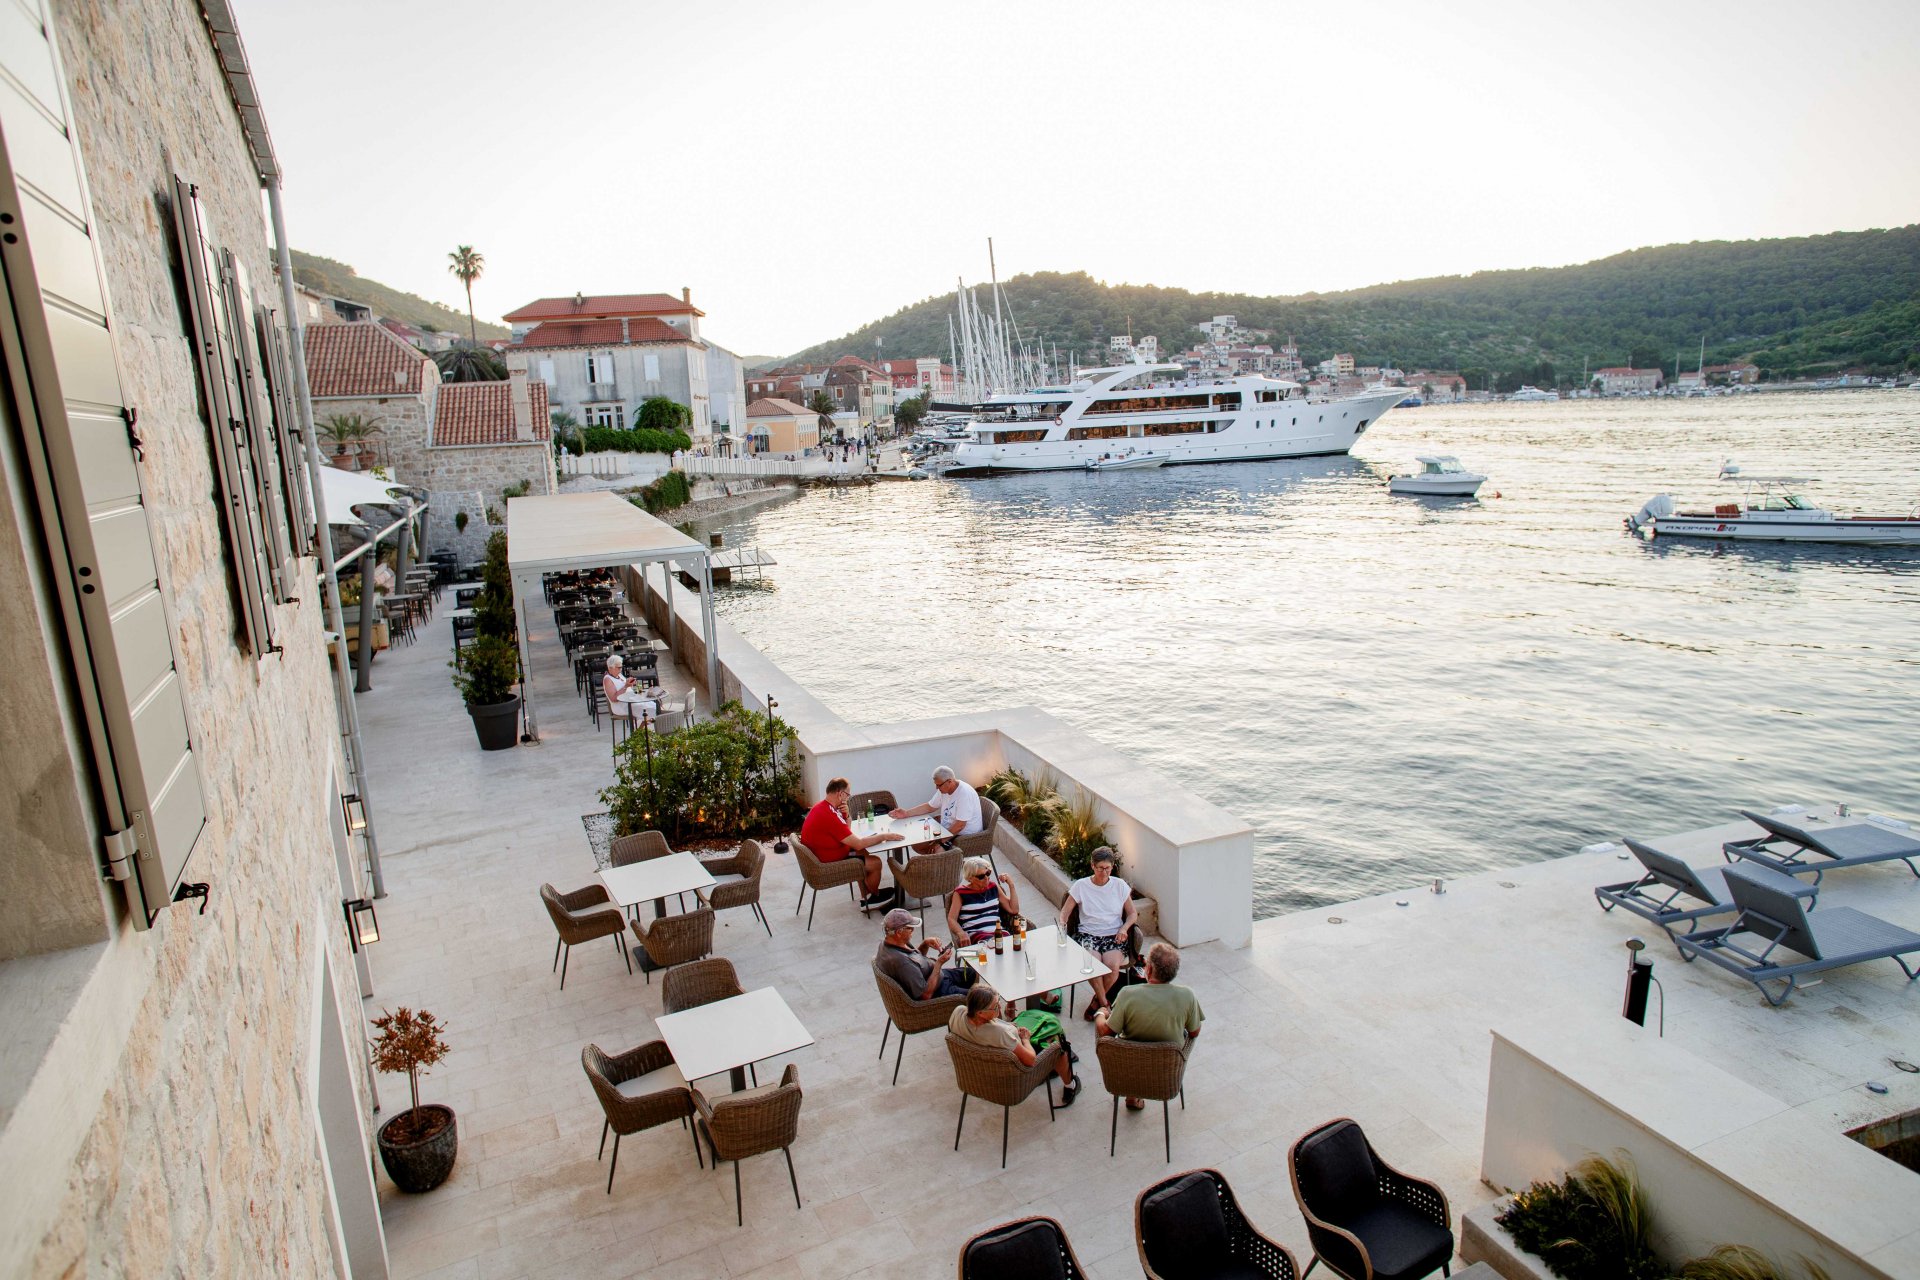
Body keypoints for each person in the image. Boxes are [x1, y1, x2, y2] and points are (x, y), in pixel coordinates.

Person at [1096, 942, 1203, 1110]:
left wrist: (1100, 1014)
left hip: (1128, 1067)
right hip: (1166, 1071)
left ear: (1149, 969)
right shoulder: (1187, 995)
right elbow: (1194, 1032)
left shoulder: (1127, 994)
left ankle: (1132, 1094)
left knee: (1128, 1040)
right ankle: (1134, 1096)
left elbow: (1105, 1032)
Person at [948, 985, 1078, 1105]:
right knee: (1058, 1046)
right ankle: (1070, 1085)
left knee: (1028, 1023)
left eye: (999, 1001)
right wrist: (1025, 1039)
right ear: (980, 1012)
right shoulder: (1001, 1034)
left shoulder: (958, 1012)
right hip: (1012, 1075)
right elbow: (1030, 1060)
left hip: (978, 1072)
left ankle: (1053, 1070)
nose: (999, 1007)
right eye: (995, 1006)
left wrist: (1007, 1025)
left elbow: (981, 1030)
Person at [1060, 846, 1136, 1020]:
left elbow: (1132, 913)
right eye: (1100, 868)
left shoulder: (1119, 885)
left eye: (1108, 868)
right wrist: (1062, 925)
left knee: (1112, 968)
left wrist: (1124, 928)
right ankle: (1104, 1004)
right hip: (1088, 935)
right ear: (1092, 866)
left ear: (1112, 866)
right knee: (1091, 967)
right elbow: (1065, 912)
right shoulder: (1081, 886)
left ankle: (1096, 1002)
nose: (1104, 872)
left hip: (1113, 934)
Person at [799, 777, 896, 906]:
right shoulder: (828, 815)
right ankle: (873, 898)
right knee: (875, 863)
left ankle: (867, 896)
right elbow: (858, 843)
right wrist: (884, 836)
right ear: (840, 794)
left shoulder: (823, 807)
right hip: (829, 862)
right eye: (848, 795)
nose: (847, 798)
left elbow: (846, 833)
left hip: (825, 854)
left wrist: (847, 815)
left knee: (862, 852)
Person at [875, 908, 969, 1001]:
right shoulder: (902, 963)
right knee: (976, 996)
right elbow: (925, 995)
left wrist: (925, 944)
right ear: (899, 932)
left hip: (938, 976)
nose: (913, 930)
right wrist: (939, 963)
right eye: (910, 928)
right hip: (939, 989)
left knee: (972, 973)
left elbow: (915, 960)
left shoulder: (889, 943)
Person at [891, 765, 982, 840]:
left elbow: (960, 825)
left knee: (934, 850)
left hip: (965, 835)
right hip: (947, 828)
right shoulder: (944, 790)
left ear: (949, 782)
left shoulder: (964, 794)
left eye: (939, 785)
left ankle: (941, 855)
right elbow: (930, 807)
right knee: (919, 842)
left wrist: (941, 841)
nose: (936, 788)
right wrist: (906, 813)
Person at [948, 855, 1019, 943]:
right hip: (977, 934)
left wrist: (1011, 885)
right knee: (995, 944)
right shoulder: (960, 892)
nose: (986, 878)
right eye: (981, 876)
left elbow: (1013, 910)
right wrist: (961, 933)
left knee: (1011, 943)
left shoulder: (993, 887)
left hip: (998, 931)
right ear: (970, 878)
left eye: (988, 873)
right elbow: (951, 919)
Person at [600, 654, 657, 721]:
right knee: (651, 710)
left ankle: (646, 725)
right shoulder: (608, 679)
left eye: (621, 667)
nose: (621, 669)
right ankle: (644, 726)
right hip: (622, 706)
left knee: (654, 705)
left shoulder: (619, 675)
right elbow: (613, 699)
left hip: (632, 701)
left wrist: (630, 683)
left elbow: (625, 687)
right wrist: (626, 686)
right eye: (619, 668)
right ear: (610, 668)